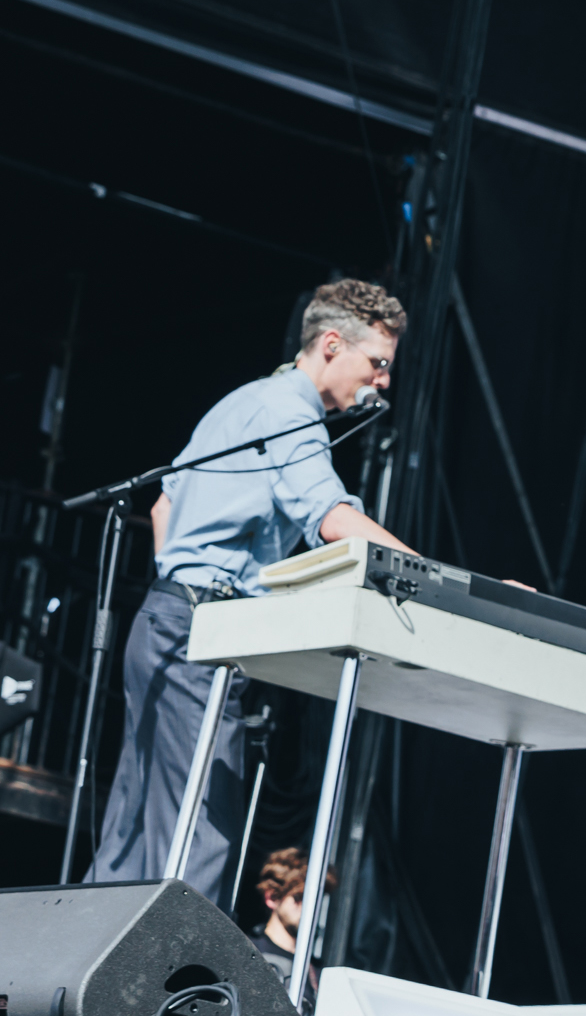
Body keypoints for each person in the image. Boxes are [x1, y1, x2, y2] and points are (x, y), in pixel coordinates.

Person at [85, 280, 417, 908]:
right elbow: (330, 517)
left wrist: (183, 582)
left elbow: (165, 504)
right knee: (199, 831)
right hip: (198, 631)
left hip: (164, 618)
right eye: (378, 363)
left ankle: (80, 992)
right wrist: (431, 578)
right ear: (330, 344)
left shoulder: (247, 401)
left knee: (133, 830)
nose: (383, 381)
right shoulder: (291, 412)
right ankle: (169, 996)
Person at [248, 846, 336, 997]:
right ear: (272, 897)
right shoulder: (247, 952)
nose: (309, 908)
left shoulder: (319, 972)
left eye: (316, 900)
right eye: (299, 897)